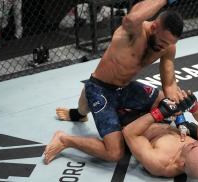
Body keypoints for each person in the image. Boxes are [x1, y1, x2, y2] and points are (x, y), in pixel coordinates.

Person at [43, 0, 184, 164]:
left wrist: (178, 113)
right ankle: (64, 139)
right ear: (154, 27)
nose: (165, 47)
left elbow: (169, 84)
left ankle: (102, 118)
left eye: (170, 44)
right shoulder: (133, 32)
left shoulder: (168, 47)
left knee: (163, 101)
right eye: (164, 42)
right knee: (115, 153)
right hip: (100, 88)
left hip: (124, 88)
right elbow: (131, 19)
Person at [122, 90, 198, 178]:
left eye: (193, 147)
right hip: (165, 121)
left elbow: (129, 132)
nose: (196, 142)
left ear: (181, 163)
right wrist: (194, 106)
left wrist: (159, 112)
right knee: (166, 95)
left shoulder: (159, 162)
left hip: (136, 125)